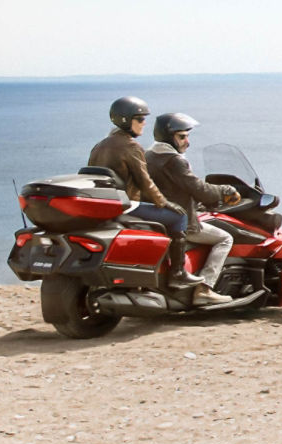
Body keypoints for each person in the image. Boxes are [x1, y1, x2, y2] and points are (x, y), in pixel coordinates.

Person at [87, 96, 202, 290]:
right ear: (126, 120)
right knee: (178, 217)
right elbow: (145, 181)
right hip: (127, 205)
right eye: (139, 119)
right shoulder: (131, 146)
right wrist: (164, 203)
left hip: (107, 204)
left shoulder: (100, 145)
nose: (144, 123)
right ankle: (178, 273)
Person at [147, 113, 241, 306]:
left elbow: (172, 189)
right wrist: (226, 190)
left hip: (155, 218)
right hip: (181, 222)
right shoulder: (174, 161)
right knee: (225, 238)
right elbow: (199, 188)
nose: (187, 142)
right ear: (169, 137)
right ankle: (205, 288)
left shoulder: (148, 155)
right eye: (182, 137)